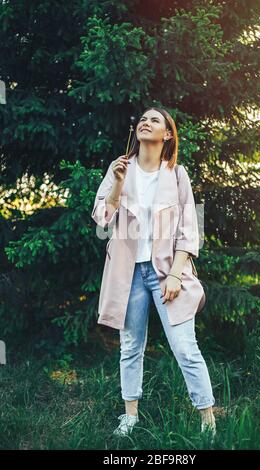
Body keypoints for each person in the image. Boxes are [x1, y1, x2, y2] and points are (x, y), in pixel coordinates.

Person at [91, 107, 216, 438]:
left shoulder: (177, 174)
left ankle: (208, 420)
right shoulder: (120, 168)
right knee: (130, 347)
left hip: (166, 274)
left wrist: (176, 274)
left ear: (168, 135)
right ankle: (130, 416)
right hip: (128, 275)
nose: (146, 122)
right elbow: (102, 218)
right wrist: (117, 185)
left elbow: (191, 228)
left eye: (155, 120)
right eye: (143, 119)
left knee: (185, 348)